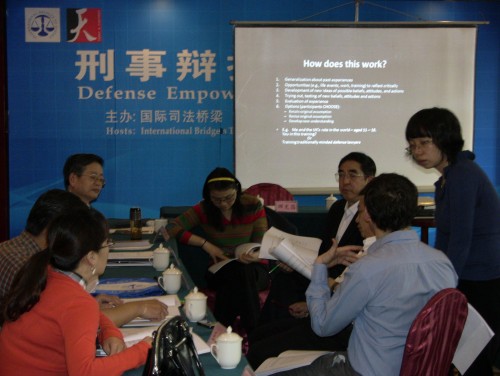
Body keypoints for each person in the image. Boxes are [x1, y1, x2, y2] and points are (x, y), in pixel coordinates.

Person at [277, 173, 458, 376]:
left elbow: (322, 325)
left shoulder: (368, 268)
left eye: (360, 210)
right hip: (422, 369)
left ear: (368, 216)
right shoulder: (442, 263)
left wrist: (319, 266)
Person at [246, 152, 376, 368]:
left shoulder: (369, 221)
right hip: (327, 280)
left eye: (352, 175)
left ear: (369, 180)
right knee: (284, 277)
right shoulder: (337, 208)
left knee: (263, 347)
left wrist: (314, 301)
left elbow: (347, 279)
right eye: (341, 175)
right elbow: (324, 250)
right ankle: (279, 326)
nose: (345, 182)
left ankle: (288, 331)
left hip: (337, 299)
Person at [405, 107, 500, 376]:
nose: (417, 151)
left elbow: (461, 237)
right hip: (469, 276)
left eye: (424, 143)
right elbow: (446, 238)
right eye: (413, 145)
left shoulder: (462, 175)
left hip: (482, 280)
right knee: (467, 358)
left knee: (474, 359)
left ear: (445, 139)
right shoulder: (448, 177)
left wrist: (443, 283)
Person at [0, 208, 152, 375]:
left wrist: (109, 332)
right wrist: (144, 350)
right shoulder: (77, 302)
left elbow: (88, 313)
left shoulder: (47, 274)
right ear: (91, 257)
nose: (109, 249)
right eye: (107, 243)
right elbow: (85, 372)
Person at [0, 189, 169, 327]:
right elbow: (70, 324)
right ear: (57, 228)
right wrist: (138, 308)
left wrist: (91, 305)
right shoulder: (23, 265)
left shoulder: (27, 253)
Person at [167, 167, 268, 333]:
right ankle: (255, 332)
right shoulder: (204, 209)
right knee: (236, 273)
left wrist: (254, 255)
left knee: (241, 272)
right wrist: (205, 243)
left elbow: (262, 242)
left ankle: (220, 330)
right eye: (217, 199)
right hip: (220, 267)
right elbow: (171, 228)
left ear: (237, 190)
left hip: (255, 268)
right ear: (208, 196)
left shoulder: (252, 205)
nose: (223, 203)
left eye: (229, 198)